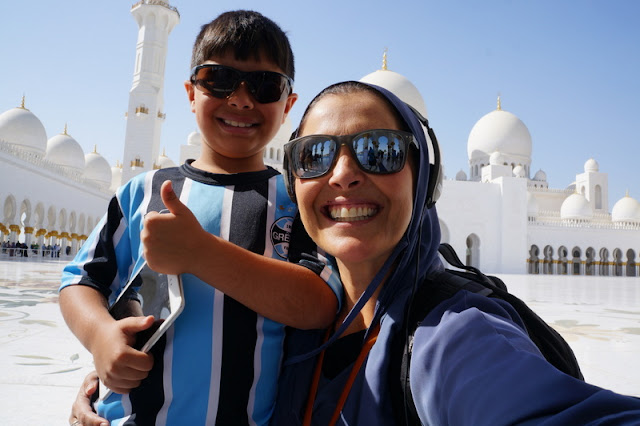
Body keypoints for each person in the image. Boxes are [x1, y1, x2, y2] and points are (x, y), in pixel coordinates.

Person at [70, 80, 640, 425]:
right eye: (316, 155)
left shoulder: (451, 336)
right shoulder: (308, 307)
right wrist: (108, 371)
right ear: (292, 186)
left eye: (380, 151)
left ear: (423, 176)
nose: (345, 175)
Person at [60, 10, 340, 426]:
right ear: (191, 93)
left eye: (265, 86)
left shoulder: (294, 201)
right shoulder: (144, 191)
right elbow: (80, 281)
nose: (241, 99)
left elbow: (318, 304)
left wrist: (201, 253)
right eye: (219, 80)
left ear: (288, 106)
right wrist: (99, 335)